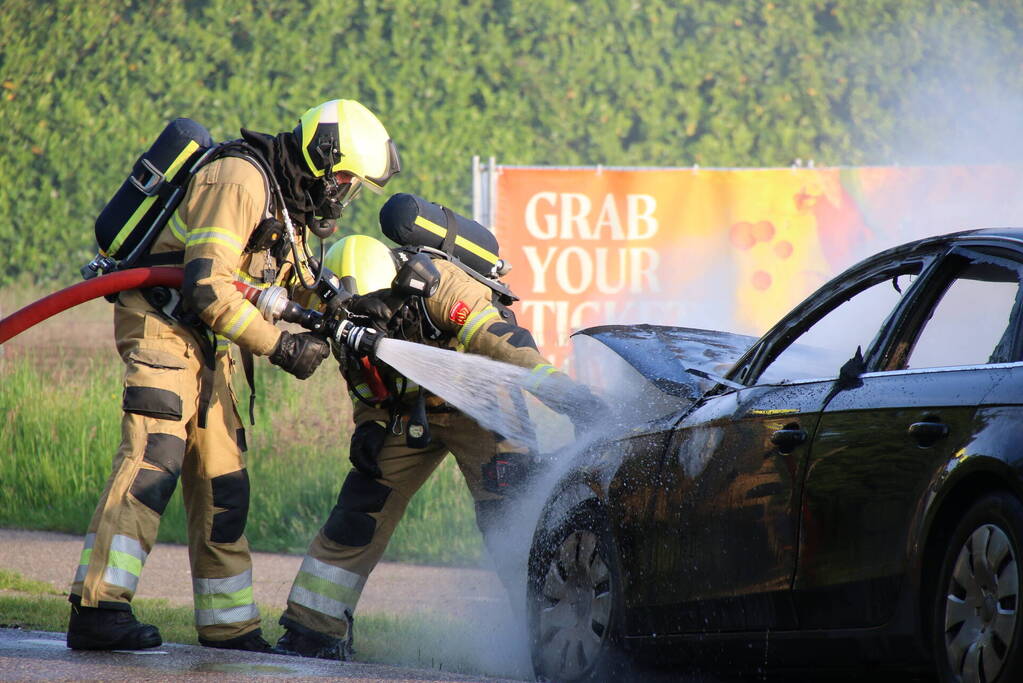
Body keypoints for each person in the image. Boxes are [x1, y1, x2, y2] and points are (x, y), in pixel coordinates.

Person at [66, 100, 400, 652]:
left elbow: (290, 287)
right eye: (346, 180)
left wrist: (345, 310)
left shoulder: (283, 203)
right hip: (163, 325)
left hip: (208, 344)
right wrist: (281, 345)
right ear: (324, 158)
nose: (344, 194)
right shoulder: (241, 179)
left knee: (225, 487)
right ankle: (98, 607)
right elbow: (208, 285)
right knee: (155, 461)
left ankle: (230, 628)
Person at [273, 233, 606, 660]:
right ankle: (313, 631)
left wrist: (565, 397)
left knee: (513, 520)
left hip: (485, 407)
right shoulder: (344, 312)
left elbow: (505, 344)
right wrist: (369, 426)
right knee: (358, 512)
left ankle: (543, 641)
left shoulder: (441, 287)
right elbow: (361, 381)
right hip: (409, 414)